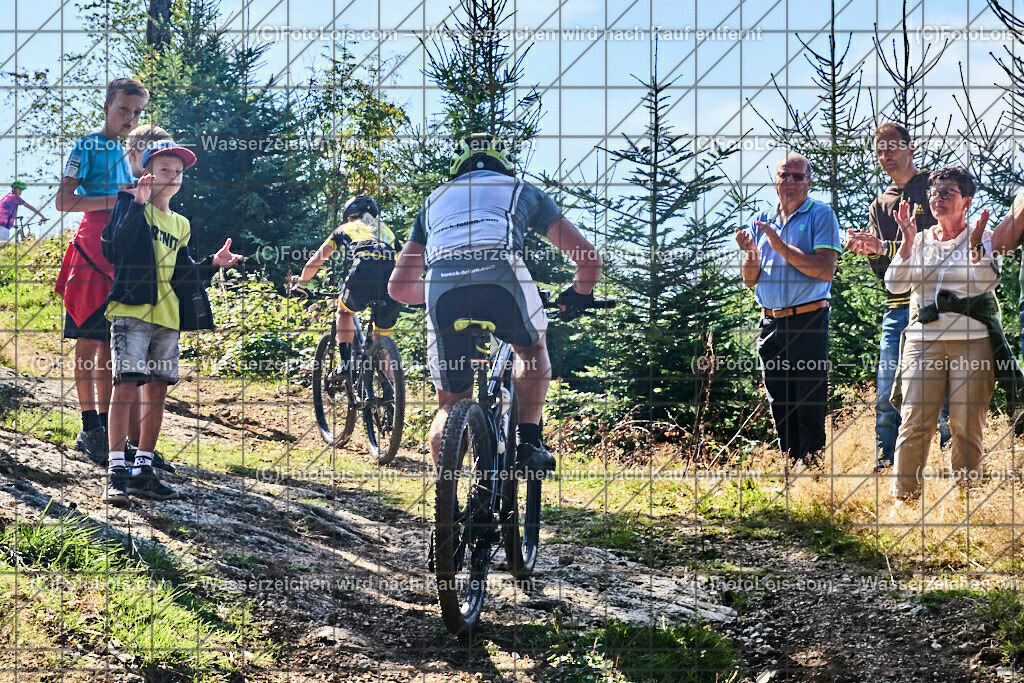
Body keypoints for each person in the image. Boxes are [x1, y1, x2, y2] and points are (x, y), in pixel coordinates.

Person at [388, 133, 603, 474]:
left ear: (458, 169)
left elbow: (398, 288)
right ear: (504, 166)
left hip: (443, 287)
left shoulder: (432, 201)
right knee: (531, 349)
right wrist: (579, 293)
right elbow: (588, 259)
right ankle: (528, 441)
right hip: (501, 273)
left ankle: (445, 513)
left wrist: (435, 292)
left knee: (449, 404)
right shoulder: (522, 189)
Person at [99, 138, 243, 503]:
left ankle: (143, 470)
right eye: (165, 169)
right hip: (132, 310)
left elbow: (181, 274)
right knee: (127, 383)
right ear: (148, 171)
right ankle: (117, 469)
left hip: (168, 316)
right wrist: (137, 204)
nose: (172, 176)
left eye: (178, 172)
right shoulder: (129, 202)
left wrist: (211, 263)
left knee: (158, 389)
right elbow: (114, 247)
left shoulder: (181, 224)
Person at [886, 166, 1020, 500]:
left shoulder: (983, 236)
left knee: (965, 427)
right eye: (933, 193)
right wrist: (904, 241)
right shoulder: (919, 240)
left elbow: (986, 282)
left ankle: (966, 503)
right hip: (922, 343)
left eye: (948, 193)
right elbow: (895, 284)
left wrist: (975, 245)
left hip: (972, 344)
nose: (938, 199)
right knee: (914, 423)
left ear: (967, 201)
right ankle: (904, 503)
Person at [54, 77, 148, 465]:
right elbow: (63, 201)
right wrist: (115, 198)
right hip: (91, 248)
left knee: (113, 345)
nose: (130, 118)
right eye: (124, 109)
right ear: (108, 106)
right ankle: (88, 426)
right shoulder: (88, 145)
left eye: (137, 112)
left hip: (121, 254)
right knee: (88, 341)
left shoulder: (129, 154)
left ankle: (111, 431)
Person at [847, 123, 950, 471]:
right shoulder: (881, 203)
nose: (885, 156)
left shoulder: (936, 188)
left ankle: (952, 465)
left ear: (910, 148)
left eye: (892, 147)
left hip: (936, 305)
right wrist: (872, 252)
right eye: (879, 151)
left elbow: (940, 246)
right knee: (888, 390)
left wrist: (885, 247)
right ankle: (884, 463)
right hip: (896, 308)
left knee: (945, 394)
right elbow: (885, 271)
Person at [735, 153, 841, 471]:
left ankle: (815, 475)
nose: (790, 182)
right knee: (779, 401)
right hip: (769, 321)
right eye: (785, 175)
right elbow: (749, 279)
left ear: (809, 181)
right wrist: (752, 252)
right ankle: (791, 471)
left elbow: (826, 269)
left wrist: (779, 245)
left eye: (798, 176)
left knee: (808, 401)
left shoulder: (821, 214)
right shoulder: (762, 217)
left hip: (808, 319)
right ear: (775, 180)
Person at [291, 194, 402, 368]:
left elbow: (316, 260)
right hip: (392, 281)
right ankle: (390, 392)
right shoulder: (387, 231)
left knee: (344, 312)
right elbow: (403, 261)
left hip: (363, 272)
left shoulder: (345, 228)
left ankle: (345, 363)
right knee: (383, 341)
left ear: (350, 215)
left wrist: (302, 285)